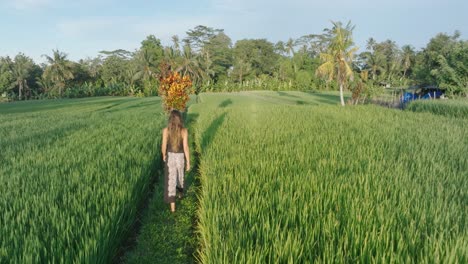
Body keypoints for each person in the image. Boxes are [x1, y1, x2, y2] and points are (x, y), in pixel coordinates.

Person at [161, 110, 190, 212]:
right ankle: (180, 194)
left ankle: (173, 208)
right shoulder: (184, 131)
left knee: (171, 180)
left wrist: (164, 155)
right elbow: (186, 147)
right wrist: (188, 162)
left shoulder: (166, 130)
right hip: (180, 157)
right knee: (180, 176)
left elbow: (164, 145)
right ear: (179, 119)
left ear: (170, 119)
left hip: (170, 157)